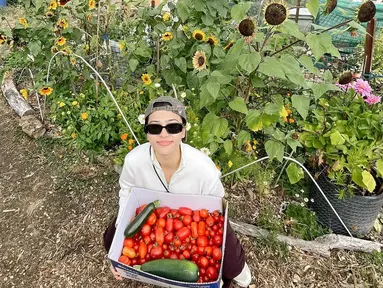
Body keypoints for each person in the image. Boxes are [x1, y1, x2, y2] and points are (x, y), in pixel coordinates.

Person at [103, 96, 252, 287]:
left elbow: (216, 207)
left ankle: (243, 277)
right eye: (155, 128)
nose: (163, 134)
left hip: (196, 220)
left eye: (172, 127)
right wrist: (119, 249)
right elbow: (126, 191)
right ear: (147, 133)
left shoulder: (203, 168)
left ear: (183, 131)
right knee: (111, 238)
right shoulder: (134, 161)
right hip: (154, 217)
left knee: (232, 262)